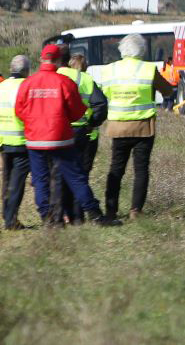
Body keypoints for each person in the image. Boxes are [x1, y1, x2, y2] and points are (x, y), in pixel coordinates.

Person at [18, 45, 115, 227]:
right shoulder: (64, 82)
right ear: (58, 61)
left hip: (35, 139)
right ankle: (94, 214)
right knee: (76, 177)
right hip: (60, 137)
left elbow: (20, 110)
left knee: (40, 180)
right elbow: (77, 111)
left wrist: (35, 122)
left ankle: (48, 219)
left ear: (41, 59)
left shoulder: (28, 83)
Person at [101, 33, 174, 221]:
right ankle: (135, 210)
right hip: (143, 127)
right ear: (142, 50)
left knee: (116, 168)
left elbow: (103, 94)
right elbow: (167, 90)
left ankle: (110, 210)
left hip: (118, 127)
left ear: (121, 50)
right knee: (141, 169)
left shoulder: (110, 70)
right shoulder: (148, 69)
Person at [56, 52, 107, 222]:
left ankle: (65, 213)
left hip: (59, 132)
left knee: (61, 174)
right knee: (80, 175)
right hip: (85, 133)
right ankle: (78, 216)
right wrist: (93, 122)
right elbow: (100, 104)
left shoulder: (55, 76)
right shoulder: (86, 80)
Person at [1, 55, 32, 230]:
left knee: (7, 181)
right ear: (26, 71)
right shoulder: (26, 86)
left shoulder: (2, 86)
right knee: (17, 183)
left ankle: (7, 214)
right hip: (21, 140)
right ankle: (11, 220)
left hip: (4, 142)